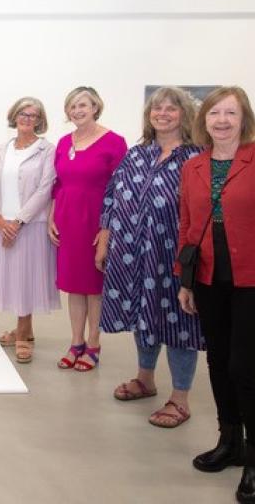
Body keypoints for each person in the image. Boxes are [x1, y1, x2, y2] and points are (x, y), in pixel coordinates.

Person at [177, 86, 255, 504]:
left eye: (230, 113)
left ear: (244, 119)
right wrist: (184, 281)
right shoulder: (194, 166)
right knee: (218, 363)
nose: (221, 120)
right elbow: (187, 225)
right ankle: (230, 441)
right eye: (214, 113)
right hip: (208, 279)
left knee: (244, 370)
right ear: (204, 121)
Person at [96, 87, 203, 427]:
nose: (163, 114)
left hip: (174, 254)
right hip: (131, 251)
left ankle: (180, 399)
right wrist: (105, 236)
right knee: (143, 312)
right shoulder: (137, 153)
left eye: (172, 109)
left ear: (184, 116)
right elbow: (113, 195)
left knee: (179, 320)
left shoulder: (196, 157)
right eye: (158, 109)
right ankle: (145, 378)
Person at [49, 86, 126, 371]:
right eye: (72, 107)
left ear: (95, 107)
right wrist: (51, 218)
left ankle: (93, 344)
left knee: (94, 287)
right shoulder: (62, 142)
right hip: (67, 220)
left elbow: (121, 189)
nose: (78, 111)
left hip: (95, 219)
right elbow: (57, 185)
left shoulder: (113, 141)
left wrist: (107, 229)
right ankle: (75, 341)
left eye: (83, 105)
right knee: (73, 286)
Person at [0, 97, 59, 363]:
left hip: (29, 226)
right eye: (22, 114)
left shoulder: (46, 150)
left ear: (40, 120)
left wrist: (18, 222)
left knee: (26, 280)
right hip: (3, 225)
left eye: (33, 115)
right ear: (14, 116)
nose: (27, 118)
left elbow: (45, 188)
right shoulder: (2, 149)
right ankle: (21, 328)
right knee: (13, 281)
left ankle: (24, 336)